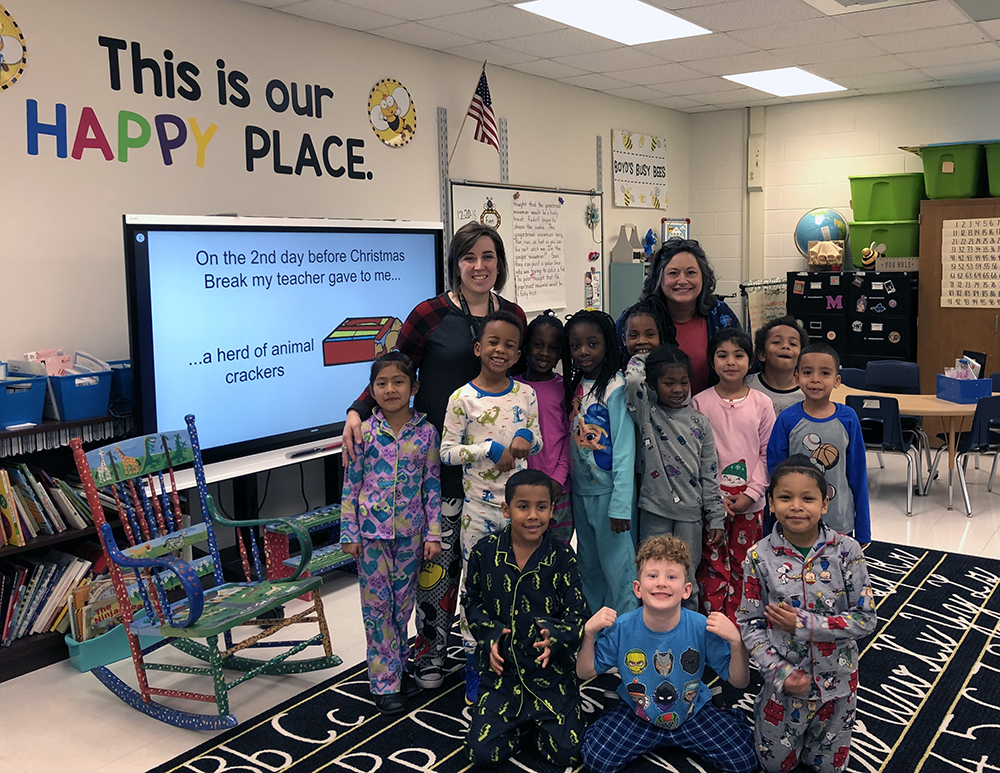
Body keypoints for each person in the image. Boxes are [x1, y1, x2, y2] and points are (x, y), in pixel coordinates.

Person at [341, 222, 527, 691]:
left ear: (499, 263)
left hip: (493, 471)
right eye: (469, 258)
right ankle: (430, 649)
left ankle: (488, 647)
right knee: (437, 564)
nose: (479, 266)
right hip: (439, 465)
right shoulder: (428, 313)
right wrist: (356, 410)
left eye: (487, 257)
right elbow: (393, 370)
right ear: (455, 265)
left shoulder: (514, 316)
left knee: (491, 561)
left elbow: (520, 388)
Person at [737, 455, 877, 772]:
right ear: (771, 504)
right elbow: (750, 623)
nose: (797, 506)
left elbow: (866, 619)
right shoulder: (758, 556)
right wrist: (779, 672)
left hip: (837, 687)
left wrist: (805, 625)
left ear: (825, 504)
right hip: (784, 687)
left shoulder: (848, 551)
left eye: (808, 498)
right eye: (785, 497)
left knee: (828, 767)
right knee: (774, 766)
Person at [577, 534, 756, 773]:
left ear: (686, 590)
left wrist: (736, 641)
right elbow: (584, 672)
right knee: (596, 759)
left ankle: (719, 708)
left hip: (692, 711)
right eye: (653, 575)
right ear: (638, 589)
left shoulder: (701, 626)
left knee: (744, 761)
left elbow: (740, 681)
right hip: (638, 712)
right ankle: (615, 708)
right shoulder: (622, 627)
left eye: (671, 576)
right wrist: (589, 633)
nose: (661, 583)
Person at [440, 309, 542, 703]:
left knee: (526, 582)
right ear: (479, 348)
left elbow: (537, 443)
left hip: (525, 513)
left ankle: (523, 657)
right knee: (478, 587)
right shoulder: (462, 398)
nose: (501, 350)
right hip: (479, 512)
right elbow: (446, 452)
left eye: (510, 345)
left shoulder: (526, 394)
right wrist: (487, 449)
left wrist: (522, 438)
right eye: (494, 343)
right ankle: (476, 662)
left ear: (518, 355)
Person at [340, 352, 443, 715]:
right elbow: (350, 486)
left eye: (398, 381)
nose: (390, 389)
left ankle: (397, 671)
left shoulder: (427, 432)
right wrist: (348, 531)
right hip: (370, 537)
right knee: (377, 610)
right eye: (381, 383)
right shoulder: (364, 432)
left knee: (402, 607)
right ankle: (383, 684)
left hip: (412, 536)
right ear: (372, 390)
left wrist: (433, 534)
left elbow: (432, 486)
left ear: (413, 387)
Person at [463, 469, 588, 767]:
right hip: (502, 676)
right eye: (523, 507)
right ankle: (519, 726)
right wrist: (488, 634)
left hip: (549, 676)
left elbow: (579, 615)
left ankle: (539, 722)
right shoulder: (485, 553)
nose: (533, 516)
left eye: (541, 507)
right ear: (506, 509)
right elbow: (471, 600)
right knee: (482, 755)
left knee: (566, 754)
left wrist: (556, 635)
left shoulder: (563, 558)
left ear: (551, 509)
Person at [624, 344, 725, 611]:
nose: (678, 389)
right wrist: (649, 357)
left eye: (683, 381)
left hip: (691, 514)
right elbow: (633, 380)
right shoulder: (648, 414)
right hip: (654, 510)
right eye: (668, 382)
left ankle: (687, 633)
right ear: (654, 385)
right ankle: (649, 630)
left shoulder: (700, 422)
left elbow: (710, 473)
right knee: (650, 575)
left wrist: (716, 516)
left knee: (685, 578)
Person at [692, 328, 775, 620]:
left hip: (750, 506)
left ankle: (741, 625)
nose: (731, 362)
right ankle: (713, 625)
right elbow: (696, 455)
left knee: (745, 564)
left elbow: (768, 454)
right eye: (722, 355)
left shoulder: (762, 404)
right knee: (712, 564)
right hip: (712, 505)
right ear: (711, 361)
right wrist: (715, 498)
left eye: (739, 355)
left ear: (750, 361)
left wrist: (752, 494)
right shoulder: (699, 403)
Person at [565, 309, 638, 615]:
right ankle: (596, 632)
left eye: (592, 344)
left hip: (611, 498)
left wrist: (621, 505)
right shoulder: (577, 384)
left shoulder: (616, 387)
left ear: (608, 344)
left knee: (620, 571)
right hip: (581, 494)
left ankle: (628, 636)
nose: (583, 351)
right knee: (589, 568)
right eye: (576, 345)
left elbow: (624, 450)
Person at [767, 343, 871, 546]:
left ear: (837, 380)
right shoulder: (787, 419)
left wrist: (864, 531)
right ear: (796, 378)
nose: (815, 379)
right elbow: (774, 475)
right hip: (795, 520)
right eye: (807, 372)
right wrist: (771, 524)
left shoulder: (848, 418)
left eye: (824, 373)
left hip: (838, 520)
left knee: (835, 575)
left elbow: (858, 474)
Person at [616, 237, 740, 395]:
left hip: (712, 413)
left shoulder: (721, 314)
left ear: (703, 277)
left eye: (691, 273)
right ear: (659, 278)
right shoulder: (634, 317)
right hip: (648, 415)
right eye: (673, 273)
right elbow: (610, 365)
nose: (682, 281)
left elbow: (744, 361)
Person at [514, 311, 573, 546]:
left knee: (557, 553)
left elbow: (571, 438)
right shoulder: (512, 387)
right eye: (538, 345)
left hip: (558, 488)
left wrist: (558, 478)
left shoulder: (565, 389)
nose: (544, 353)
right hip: (520, 488)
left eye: (553, 348)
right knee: (524, 551)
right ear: (526, 346)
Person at [746, 316, 810, 418]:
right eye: (776, 342)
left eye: (793, 344)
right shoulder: (745, 385)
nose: (785, 346)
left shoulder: (809, 391)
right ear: (762, 354)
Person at [621, 296, 673, 363]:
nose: (642, 341)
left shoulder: (673, 370)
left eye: (650, 335)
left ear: (660, 336)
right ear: (624, 340)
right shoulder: (619, 372)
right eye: (634, 335)